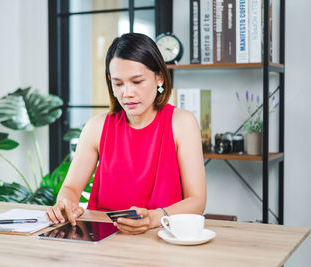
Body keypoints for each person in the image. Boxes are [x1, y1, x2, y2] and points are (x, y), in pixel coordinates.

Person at [46, 33, 206, 235]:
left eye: (137, 81)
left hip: (162, 237)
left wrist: (154, 218)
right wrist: (65, 203)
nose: (127, 93)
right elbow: (71, 188)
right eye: (118, 84)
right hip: (106, 241)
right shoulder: (97, 126)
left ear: (159, 78)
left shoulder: (182, 123)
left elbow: (197, 201)